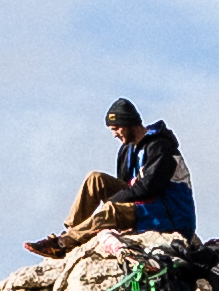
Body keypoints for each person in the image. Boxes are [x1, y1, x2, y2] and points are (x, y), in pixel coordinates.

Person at [25, 96, 193, 256]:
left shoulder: (160, 146)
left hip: (169, 213)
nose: (114, 134)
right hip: (145, 206)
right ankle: (71, 232)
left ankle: (63, 244)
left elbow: (150, 187)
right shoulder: (127, 150)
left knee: (111, 210)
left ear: (129, 123)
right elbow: (126, 186)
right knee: (95, 179)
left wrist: (114, 202)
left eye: (117, 128)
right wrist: (117, 200)